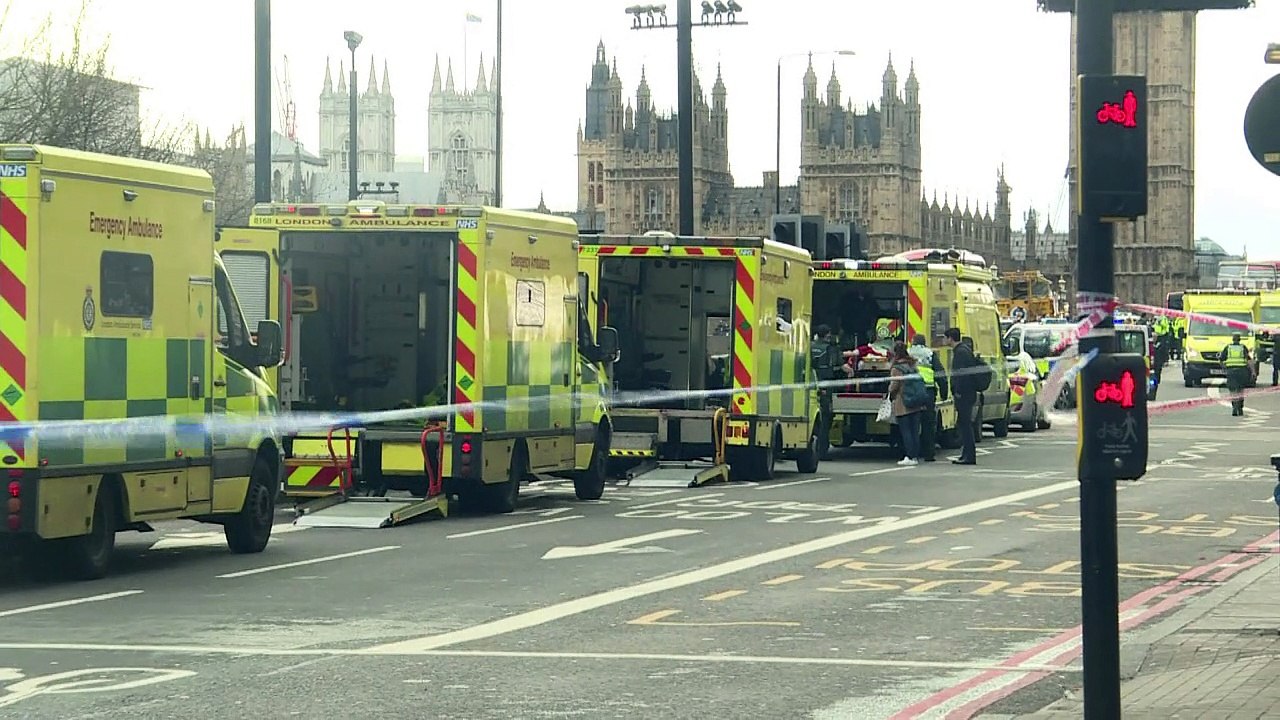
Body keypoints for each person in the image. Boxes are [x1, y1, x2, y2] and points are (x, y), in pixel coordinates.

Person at [908, 334, 948, 462]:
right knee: (928, 424)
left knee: (911, 424)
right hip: (927, 392)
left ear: (913, 342)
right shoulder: (930, 354)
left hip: (911, 392)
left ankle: (911, 453)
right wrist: (944, 393)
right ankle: (928, 454)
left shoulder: (908, 354)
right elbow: (941, 374)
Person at [811, 324, 847, 458]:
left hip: (811, 383)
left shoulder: (809, 346)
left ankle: (813, 448)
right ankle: (822, 451)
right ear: (827, 334)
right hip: (826, 386)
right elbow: (838, 365)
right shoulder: (831, 349)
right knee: (826, 419)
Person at [888, 341, 925, 466]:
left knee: (906, 431)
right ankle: (914, 455)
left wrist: (889, 394)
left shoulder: (897, 368)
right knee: (914, 431)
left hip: (903, 403)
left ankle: (909, 456)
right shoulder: (912, 365)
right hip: (915, 401)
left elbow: (894, 386)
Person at [945, 327, 978, 465]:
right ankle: (966, 454)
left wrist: (957, 391)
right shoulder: (964, 350)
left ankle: (969, 456)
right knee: (963, 424)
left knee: (965, 425)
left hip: (964, 394)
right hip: (967, 393)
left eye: (945, 338)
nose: (944, 340)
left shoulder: (960, 353)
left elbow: (961, 375)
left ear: (950, 339)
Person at [1222, 332, 1251, 417]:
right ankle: (1240, 407)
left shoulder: (1228, 348)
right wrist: (1253, 371)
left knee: (1232, 390)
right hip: (1242, 371)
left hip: (1231, 371)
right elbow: (1249, 360)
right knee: (1241, 390)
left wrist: (1224, 368)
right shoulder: (1243, 348)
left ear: (1232, 339)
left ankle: (1234, 406)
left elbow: (1221, 359)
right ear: (1239, 339)